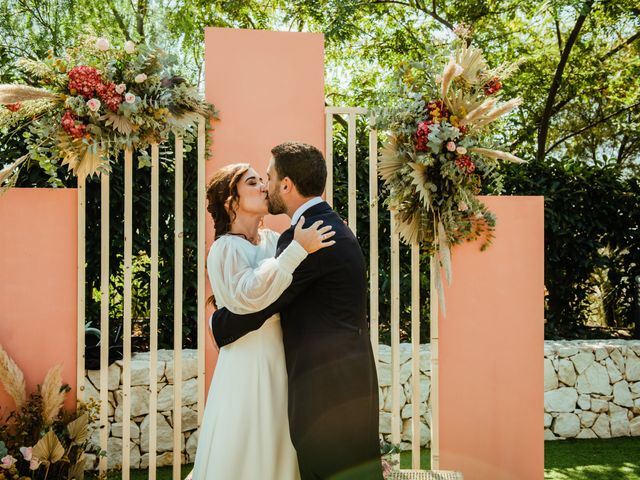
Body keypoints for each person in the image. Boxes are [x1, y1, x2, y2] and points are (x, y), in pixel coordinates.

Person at [210, 142, 383, 480]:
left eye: (268, 177)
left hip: (328, 389)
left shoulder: (307, 235)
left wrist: (221, 324)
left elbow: (269, 301)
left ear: (286, 185)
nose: (265, 185)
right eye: (255, 181)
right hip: (332, 380)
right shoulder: (317, 228)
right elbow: (264, 287)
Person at [190, 162, 336, 480]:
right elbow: (248, 297)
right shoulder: (224, 250)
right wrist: (298, 249)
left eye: (262, 180)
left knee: (280, 440)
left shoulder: (275, 241)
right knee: (246, 442)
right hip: (247, 361)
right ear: (231, 201)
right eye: (252, 182)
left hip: (281, 358)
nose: (263, 187)